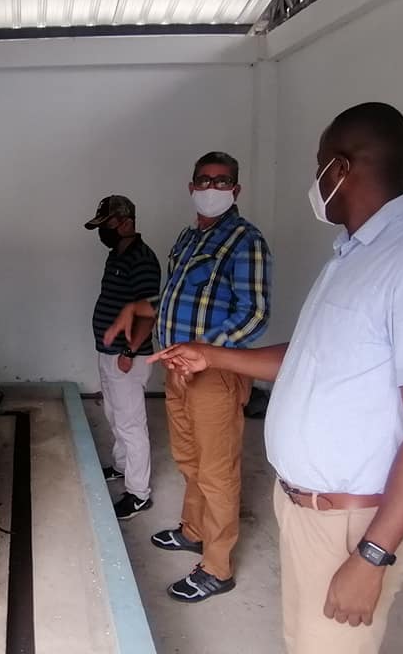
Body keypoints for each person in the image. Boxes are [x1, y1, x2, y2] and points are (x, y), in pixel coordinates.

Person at [146, 103, 403, 653]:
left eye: (318, 165)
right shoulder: (352, 256)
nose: (315, 180)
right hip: (308, 509)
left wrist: (372, 555)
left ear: (340, 168)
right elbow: (307, 356)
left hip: (354, 522)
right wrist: (210, 355)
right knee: (304, 642)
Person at [104, 151, 272, 602]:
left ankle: (217, 567)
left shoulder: (245, 241)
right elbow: (175, 299)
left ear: (236, 189)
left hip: (215, 372)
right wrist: (139, 308)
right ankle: (193, 530)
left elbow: (254, 314)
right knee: (189, 459)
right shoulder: (188, 238)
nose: (212, 188)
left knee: (217, 471)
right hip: (176, 367)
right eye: (205, 180)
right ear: (191, 186)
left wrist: (205, 351)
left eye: (222, 181)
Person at [85, 195, 163, 520]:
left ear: (126, 222)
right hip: (109, 352)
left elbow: (150, 311)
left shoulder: (142, 259)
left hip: (127, 356)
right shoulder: (116, 254)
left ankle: (139, 493)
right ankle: (121, 466)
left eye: (107, 225)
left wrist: (130, 351)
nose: (102, 232)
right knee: (114, 414)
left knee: (131, 424)